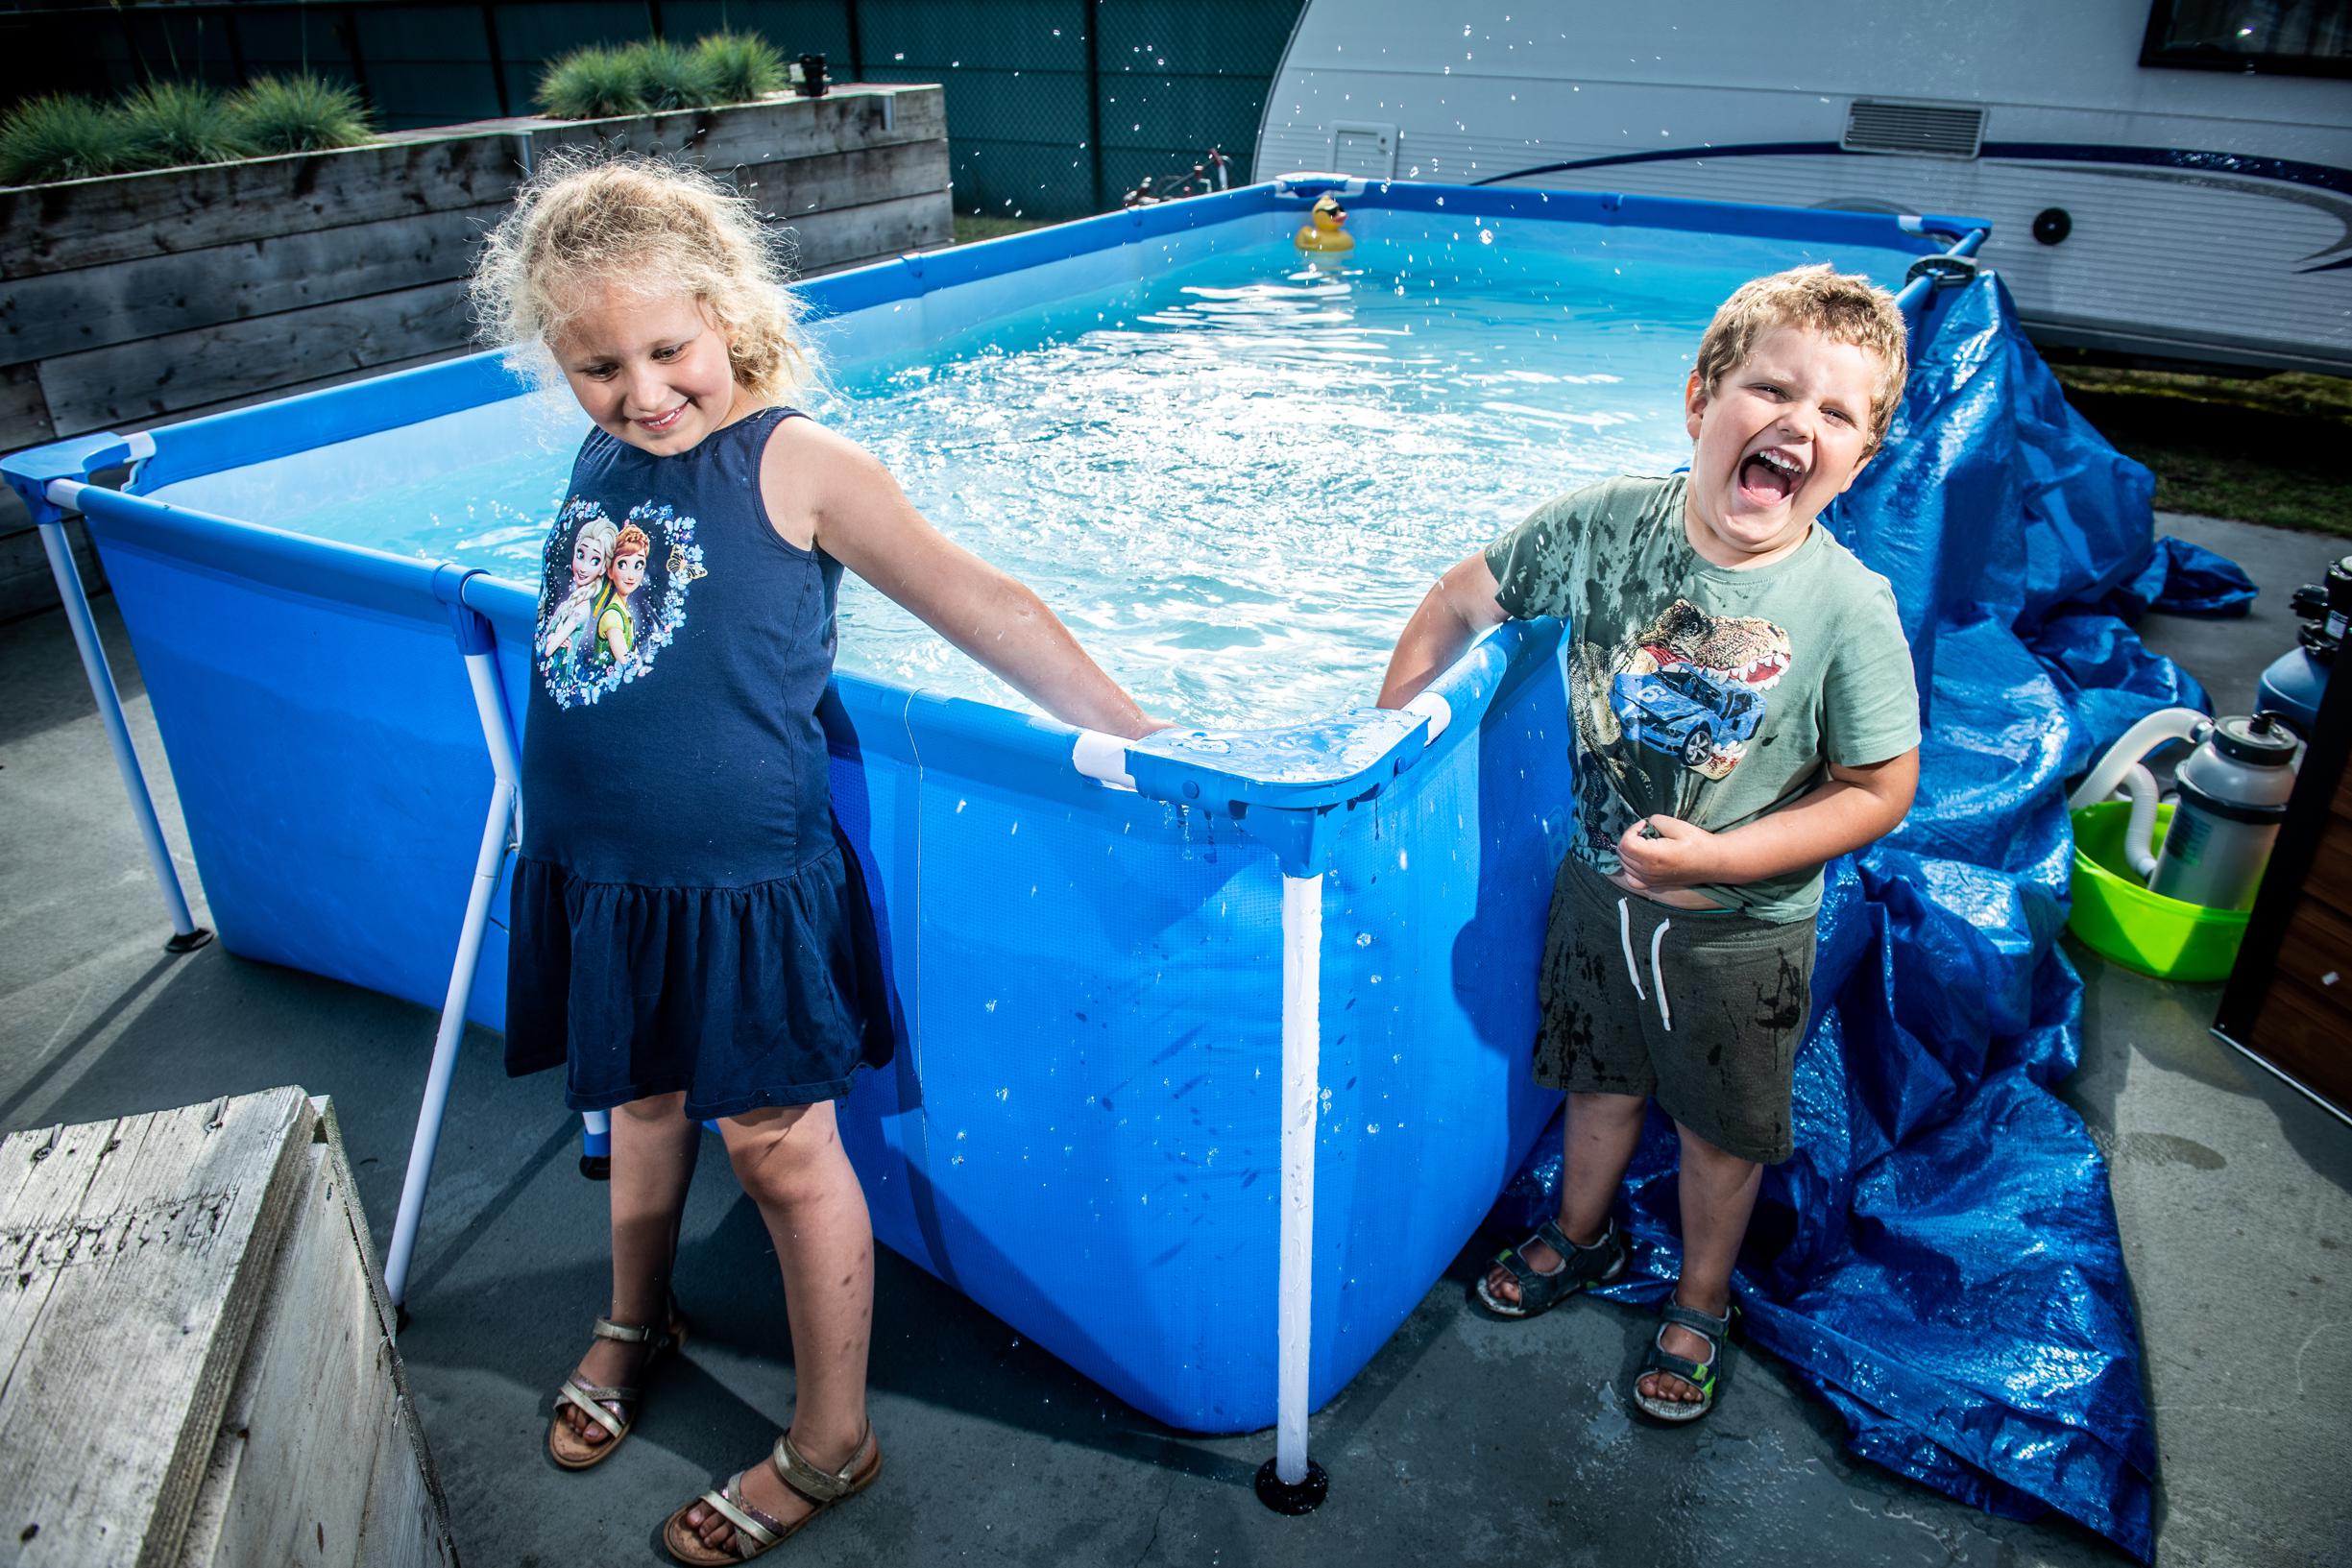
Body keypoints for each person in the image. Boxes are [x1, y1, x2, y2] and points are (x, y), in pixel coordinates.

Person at [469, 152, 1164, 1561]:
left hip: (740, 888)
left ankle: (833, 1438)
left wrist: (1144, 738)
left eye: (667, 348)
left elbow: (985, 601)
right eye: (598, 363)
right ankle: (635, 1313)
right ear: (559, 361)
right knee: (640, 1101)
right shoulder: (604, 450)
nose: (642, 388)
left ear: (726, 313)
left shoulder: (801, 459)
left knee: (781, 1148)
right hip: (606, 874)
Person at [1375, 264, 1922, 1423]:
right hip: (1596, 892)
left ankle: (1705, 1294)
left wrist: (1721, 860)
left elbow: (1880, 789)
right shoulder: (1598, 527)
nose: (1795, 423)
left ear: (1860, 463)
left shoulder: (1848, 607)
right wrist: (1382, 756)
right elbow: (1455, 601)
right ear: (1698, 399)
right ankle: (1581, 1234)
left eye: (1834, 414)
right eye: (1772, 388)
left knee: (1722, 1135)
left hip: (1742, 934)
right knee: (1597, 1082)